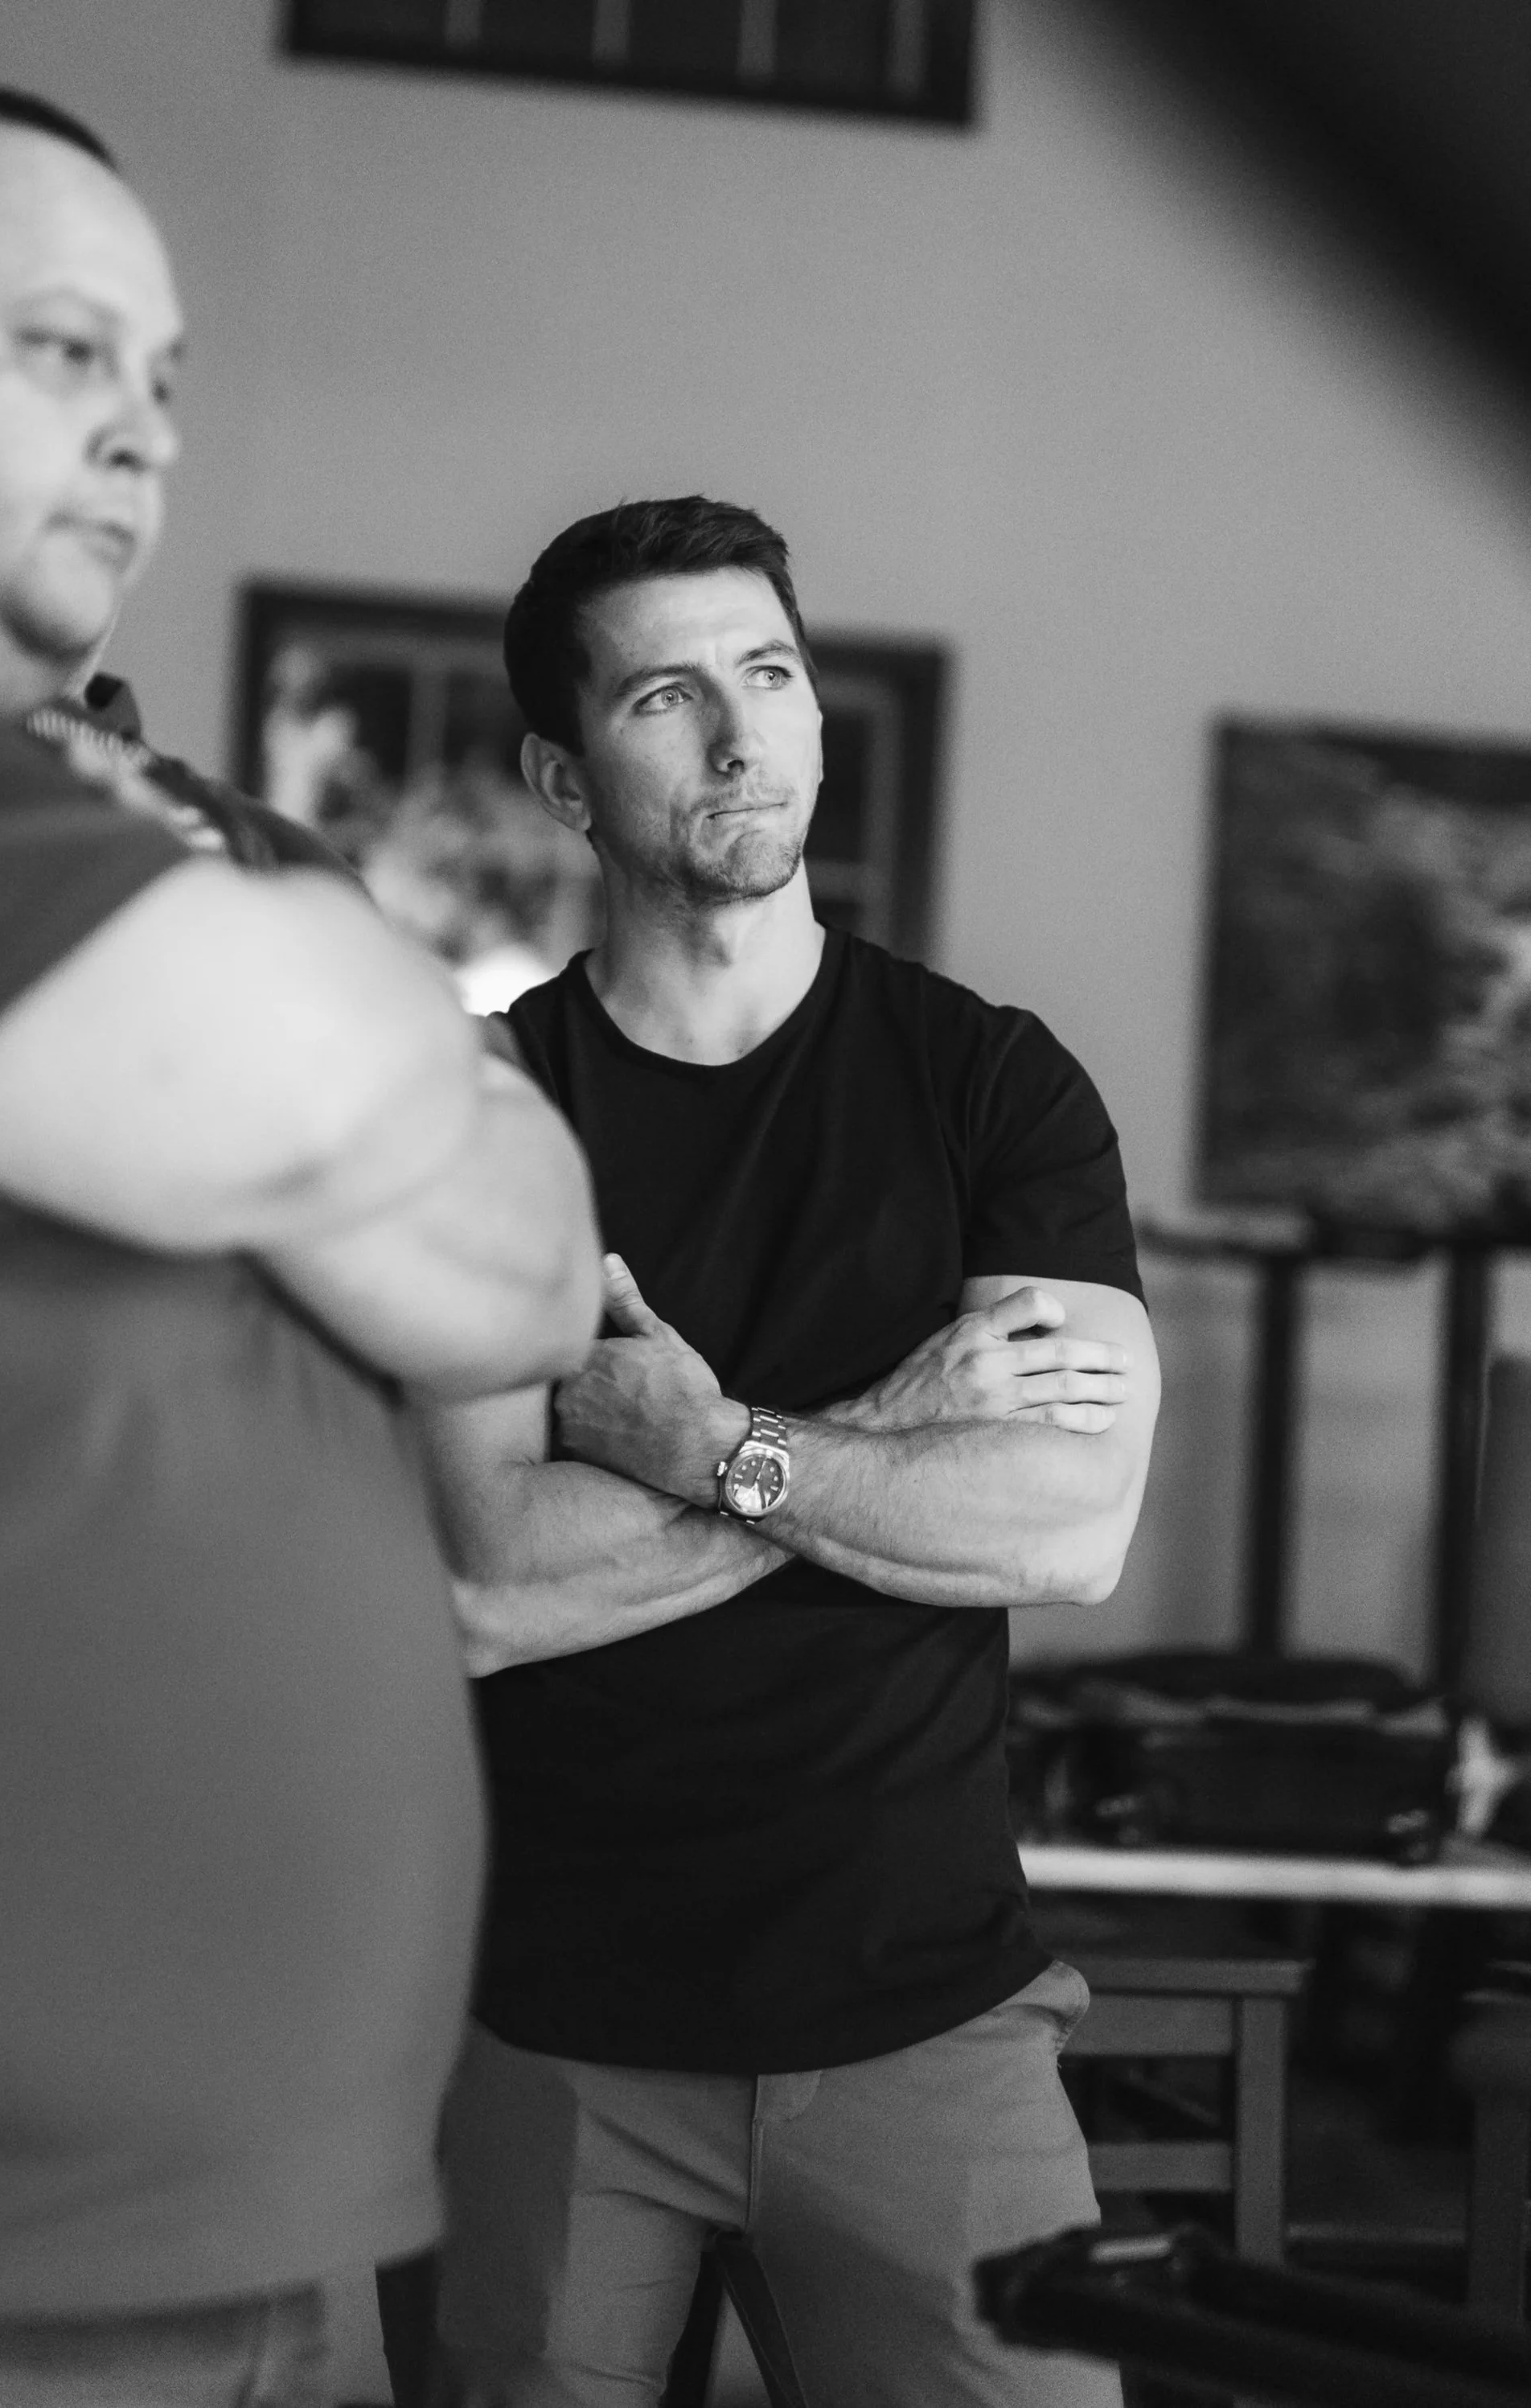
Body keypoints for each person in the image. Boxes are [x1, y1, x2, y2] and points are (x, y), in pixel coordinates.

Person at [0, 72, 601, 2408]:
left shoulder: (211, 849)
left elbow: (524, 1267)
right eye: (60, 349)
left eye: (166, 379)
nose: (142, 435)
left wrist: (371, 1088)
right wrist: (379, 1096)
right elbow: (371, 1113)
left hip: (276, 2241)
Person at [419, 495, 1161, 2406]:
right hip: (551, 2023)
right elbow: (484, 1581)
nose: (743, 738)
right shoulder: (484, 1114)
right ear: (560, 777)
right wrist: (887, 1440)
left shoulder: (989, 1082)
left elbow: (1067, 1526)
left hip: (920, 2008)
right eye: (667, 695)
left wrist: (707, 1444)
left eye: (768, 675)